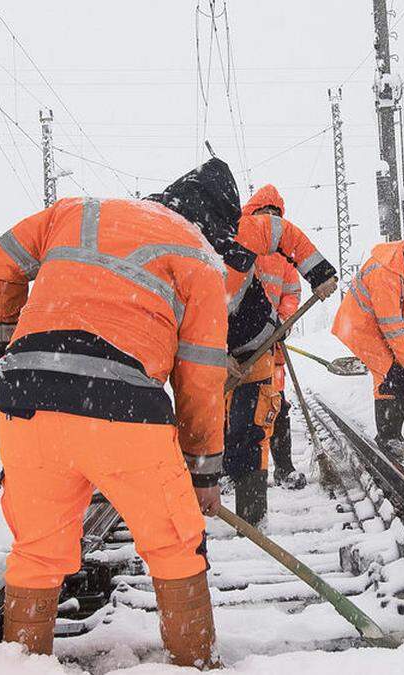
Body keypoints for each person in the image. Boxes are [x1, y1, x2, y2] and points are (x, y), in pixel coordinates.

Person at [0, 188, 230, 667]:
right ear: (210, 225)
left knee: (36, 553)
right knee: (176, 546)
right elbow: (200, 375)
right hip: (125, 409)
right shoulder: (200, 257)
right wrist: (202, 474)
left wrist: (2, 346)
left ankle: (22, 663)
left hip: (27, 400)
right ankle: (196, 663)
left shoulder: (77, 210)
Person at [148, 171, 337, 526]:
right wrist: (219, 359)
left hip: (258, 341)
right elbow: (173, 320)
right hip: (209, 351)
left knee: (251, 429)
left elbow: (285, 234)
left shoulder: (246, 228)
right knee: (208, 425)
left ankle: (251, 522)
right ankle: (200, 508)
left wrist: (319, 272)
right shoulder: (173, 250)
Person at [331, 233, 404, 457]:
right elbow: (391, 326)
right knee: (393, 376)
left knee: (397, 376)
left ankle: (393, 435)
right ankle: (387, 437)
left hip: (380, 325)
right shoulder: (385, 273)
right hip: (361, 327)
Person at [246, 188, 307, 490]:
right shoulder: (240, 246)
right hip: (241, 348)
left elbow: (292, 291)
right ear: (251, 214)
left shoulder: (284, 256)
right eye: (264, 214)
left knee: (277, 407)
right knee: (235, 412)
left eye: (275, 216)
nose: (269, 221)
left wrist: (283, 320)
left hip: (273, 348)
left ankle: (284, 467)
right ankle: (237, 474)